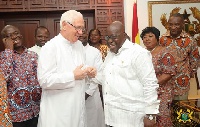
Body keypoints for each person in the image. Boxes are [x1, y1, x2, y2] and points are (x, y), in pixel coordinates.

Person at [37, 10, 96, 127]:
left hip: (78, 109)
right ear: (64, 25)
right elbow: (44, 80)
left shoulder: (79, 45)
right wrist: (72, 76)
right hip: (58, 113)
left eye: (82, 29)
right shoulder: (50, 47)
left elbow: (79, 67)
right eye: (77, 28)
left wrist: (88, 70)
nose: (80, 32)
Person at [97, 21, 160, 127]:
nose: (110, 41)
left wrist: (150, 114)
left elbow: (150, 84)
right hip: (112, 116)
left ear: (124, 36)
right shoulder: (110, 54)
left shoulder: (138, 53)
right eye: (107, 38)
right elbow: (107, 78)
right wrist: (90, 74)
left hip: (132, 117)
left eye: (114, 37)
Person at [0, 25, 41, 127]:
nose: (15, 36)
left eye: (16, 33)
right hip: (16, 116)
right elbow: (4, 78)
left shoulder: (33, 55)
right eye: (10, 35)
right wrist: (9, 50)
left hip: (36, 111)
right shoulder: (3, 57)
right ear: (5, 40)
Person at [141, 26, 176, 127]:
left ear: (157, 38)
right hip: (146, 92)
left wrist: (152, 84)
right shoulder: (142, 53)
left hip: (162, 92)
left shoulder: (165, 52)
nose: (147, 39)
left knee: (161, 119)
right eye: (144, 37)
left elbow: (169, 73)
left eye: (150, 36)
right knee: (148, 120)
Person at [159, 13, 199, 101]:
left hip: (182, 84)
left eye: (176, 24)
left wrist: (187, 74)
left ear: (182, 24)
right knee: (166, 112)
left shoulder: (190, 40)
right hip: (165, 84)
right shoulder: (162, 39)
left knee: (181, 111)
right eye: (171, 24)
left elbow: (195, 61)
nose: (173, 27)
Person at [79, 29, 105, 127]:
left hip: (92, 95)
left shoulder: (95, 52)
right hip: (74, 94)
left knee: (92, 122)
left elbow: (99, 74)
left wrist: (88, 92)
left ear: (87, 35)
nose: (81, 35)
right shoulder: (70, 51)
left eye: (84, 32)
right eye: (79, 33)